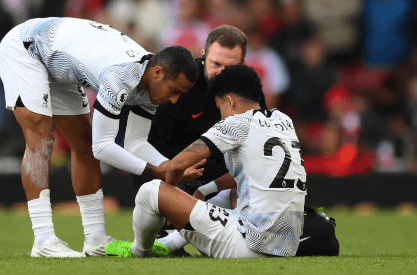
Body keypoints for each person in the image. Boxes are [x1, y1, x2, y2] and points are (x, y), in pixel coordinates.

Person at [0, 17, 202, 258]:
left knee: (83, 142)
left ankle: (96, 240)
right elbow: (103, 147)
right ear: (158, 72)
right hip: (26, 47)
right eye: (175, 91)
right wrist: (157, 171)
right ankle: (43, 240)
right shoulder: (120, 75)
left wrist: (169, 166)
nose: (175, 100)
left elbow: (136, 144)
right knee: (42, 138)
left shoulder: (151, 82)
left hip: (58, 60)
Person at [105, 64, 307, 258]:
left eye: (220, 108)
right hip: (286, 245)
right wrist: (205, 190)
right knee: (228, 194)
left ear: (229, 101)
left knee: (151, 190)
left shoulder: (235, 124)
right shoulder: (282, 120)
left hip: (251, 246)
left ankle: (139, 251)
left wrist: (169, 200)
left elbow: (176, 164)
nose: (221, 115)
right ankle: (167, 244)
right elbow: (253, 174)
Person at [131, 25, 248, 190]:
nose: (222, 72)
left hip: (217, 179)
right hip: (167, 175)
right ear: (203, 55)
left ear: (242, 64)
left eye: (230, 68)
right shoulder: (179, 86)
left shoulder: (248, 92)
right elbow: (150, 148)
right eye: (216, 64)